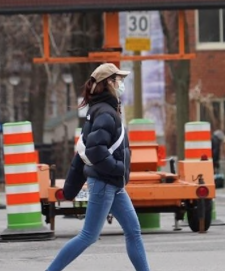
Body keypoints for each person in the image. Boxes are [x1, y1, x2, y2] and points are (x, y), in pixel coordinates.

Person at [45, 63, 151, 271]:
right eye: (118, 80)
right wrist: (118, 167)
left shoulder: (104, 110)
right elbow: (94, 150)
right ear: (109, 83)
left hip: (113, 184)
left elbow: (86, 150)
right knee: (88, 235)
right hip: (105, 183)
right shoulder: (105, 112)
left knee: (133, 231)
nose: (121, 84)